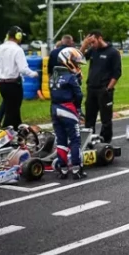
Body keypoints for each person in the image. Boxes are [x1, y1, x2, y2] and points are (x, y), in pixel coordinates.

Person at [49, 47, 86, 180]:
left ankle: (63, 169)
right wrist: (78, 109)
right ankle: (76, 169)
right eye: (75, 63)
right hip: (68, 109)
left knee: (61, 140)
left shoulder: (52, 77)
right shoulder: (70, 78)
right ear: (68, 61)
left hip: (54, 109)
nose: (77, 66)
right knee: (75, 140)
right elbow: (79, 95)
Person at [80, 30, 122, 144]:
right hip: (91, 88)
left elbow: (117, 73)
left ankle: (105, 142)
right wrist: (84, 45)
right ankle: (88, 141)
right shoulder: (93, 50)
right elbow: (79, 59)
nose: (92, 45)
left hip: (104, 89)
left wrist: (108, 88)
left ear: (100, 38)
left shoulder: (113, 52)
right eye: (90, 43)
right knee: (89, 118)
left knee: (106, 119)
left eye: (93, 42)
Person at [0, 26, 39, 128]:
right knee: (12, 112)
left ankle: (17, 129)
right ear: (18, 36)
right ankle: (5, 132)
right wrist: (34, 74)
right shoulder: (18, 49)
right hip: (13, 83)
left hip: (2, 83)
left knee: (12, 109)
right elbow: (23, 69)